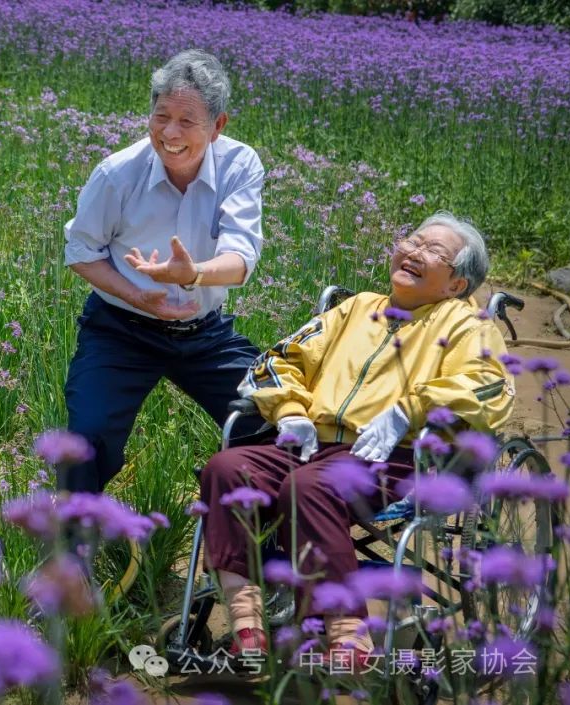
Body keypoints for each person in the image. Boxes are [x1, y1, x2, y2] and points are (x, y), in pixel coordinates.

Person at [199, 211, 515, 662]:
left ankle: (348, 635)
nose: (414, 251)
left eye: (433, 251)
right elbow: (277, 360)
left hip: (397, 455)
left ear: (456, 284)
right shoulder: (356, 308)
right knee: (227, 468)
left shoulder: (467, 326)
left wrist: (408, 410)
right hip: (314, 444)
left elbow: (489, 386)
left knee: (309, 488)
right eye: (413, 240)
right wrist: (290, 410)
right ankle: (247, 624)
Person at [61, 49, 265, 495]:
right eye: (161, 117)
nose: (170, 133)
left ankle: (243, 523)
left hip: (204, 332)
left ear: (218, 126)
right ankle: (75, 535)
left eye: (187, 121)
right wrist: (137, 295)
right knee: (85, 440)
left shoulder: (240, 164)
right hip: (121, 329)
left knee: (271, 418)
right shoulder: (117, 173)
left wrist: (192, 275)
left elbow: (241, 259)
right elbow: (80, 251)